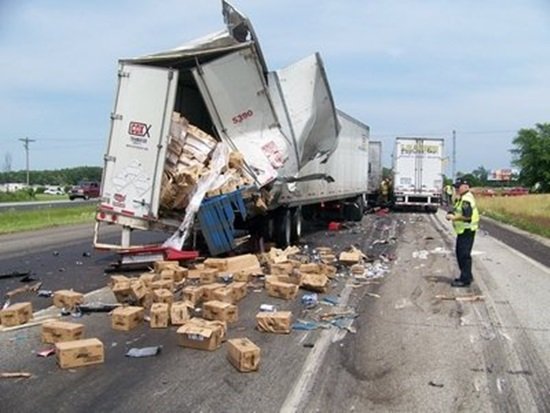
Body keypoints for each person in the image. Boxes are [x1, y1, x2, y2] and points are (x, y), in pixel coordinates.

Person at [445, 177, 480, 287]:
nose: (456, 189)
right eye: (455, 187)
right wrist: (451, 212)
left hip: (467, 230)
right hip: (464, 231)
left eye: (458, 187)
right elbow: (457, 209)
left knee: (463, 255)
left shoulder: (466, 199)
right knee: (461, 254)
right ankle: (467, 275)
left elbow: (467, 216)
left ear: (465, 187)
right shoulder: (462, 198)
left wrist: (453, 218)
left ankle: (465, 279)